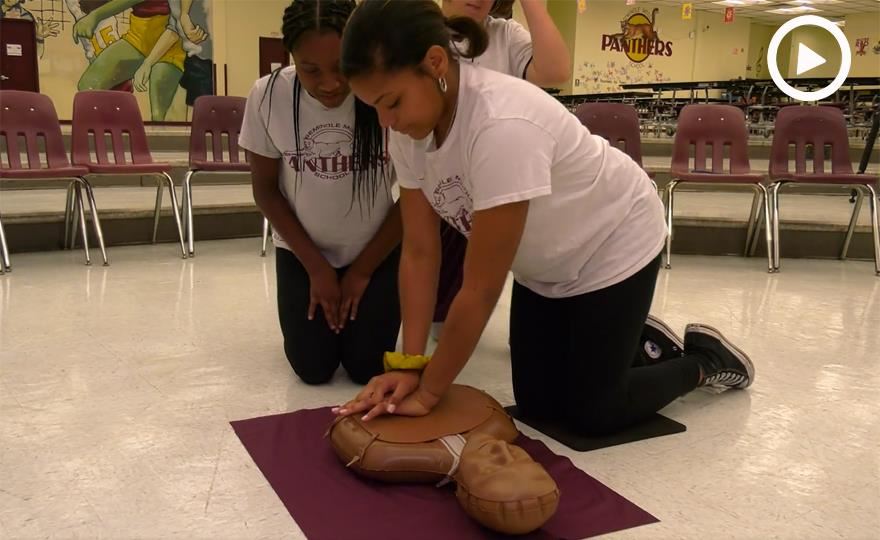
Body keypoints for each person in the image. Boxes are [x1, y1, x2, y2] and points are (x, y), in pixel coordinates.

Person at [333, 0, 755, 435]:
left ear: (435, 63)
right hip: (546, 263)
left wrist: (428, 393)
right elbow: (421, 254)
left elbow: (478, 289)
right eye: (374, 109)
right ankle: (639, 342)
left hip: (613, 239)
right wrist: (409, 365)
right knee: (538, 403)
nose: (386, 122)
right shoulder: (410, 128)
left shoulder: (501, 125)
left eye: (392, 103)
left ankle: (704, 361)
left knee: (594, 411)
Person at [238, 0, 401, 385]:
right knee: (312, 369)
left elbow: (414, 196)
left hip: (376, 252)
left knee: (368, 370)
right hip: (302, 252)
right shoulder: (267, 95)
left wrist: (361, 271)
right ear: (290, 55)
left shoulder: (384, 92)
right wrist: (316, 267)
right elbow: (265, 191)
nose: (329, 84)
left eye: (342, 67)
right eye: (311, 70)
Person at [431, 0, 570, 341]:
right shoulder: (423, 30)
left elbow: (555, 72)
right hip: (446, 182)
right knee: (444, 317)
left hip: (500, 183)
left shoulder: (504, 34)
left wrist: (534, 6)